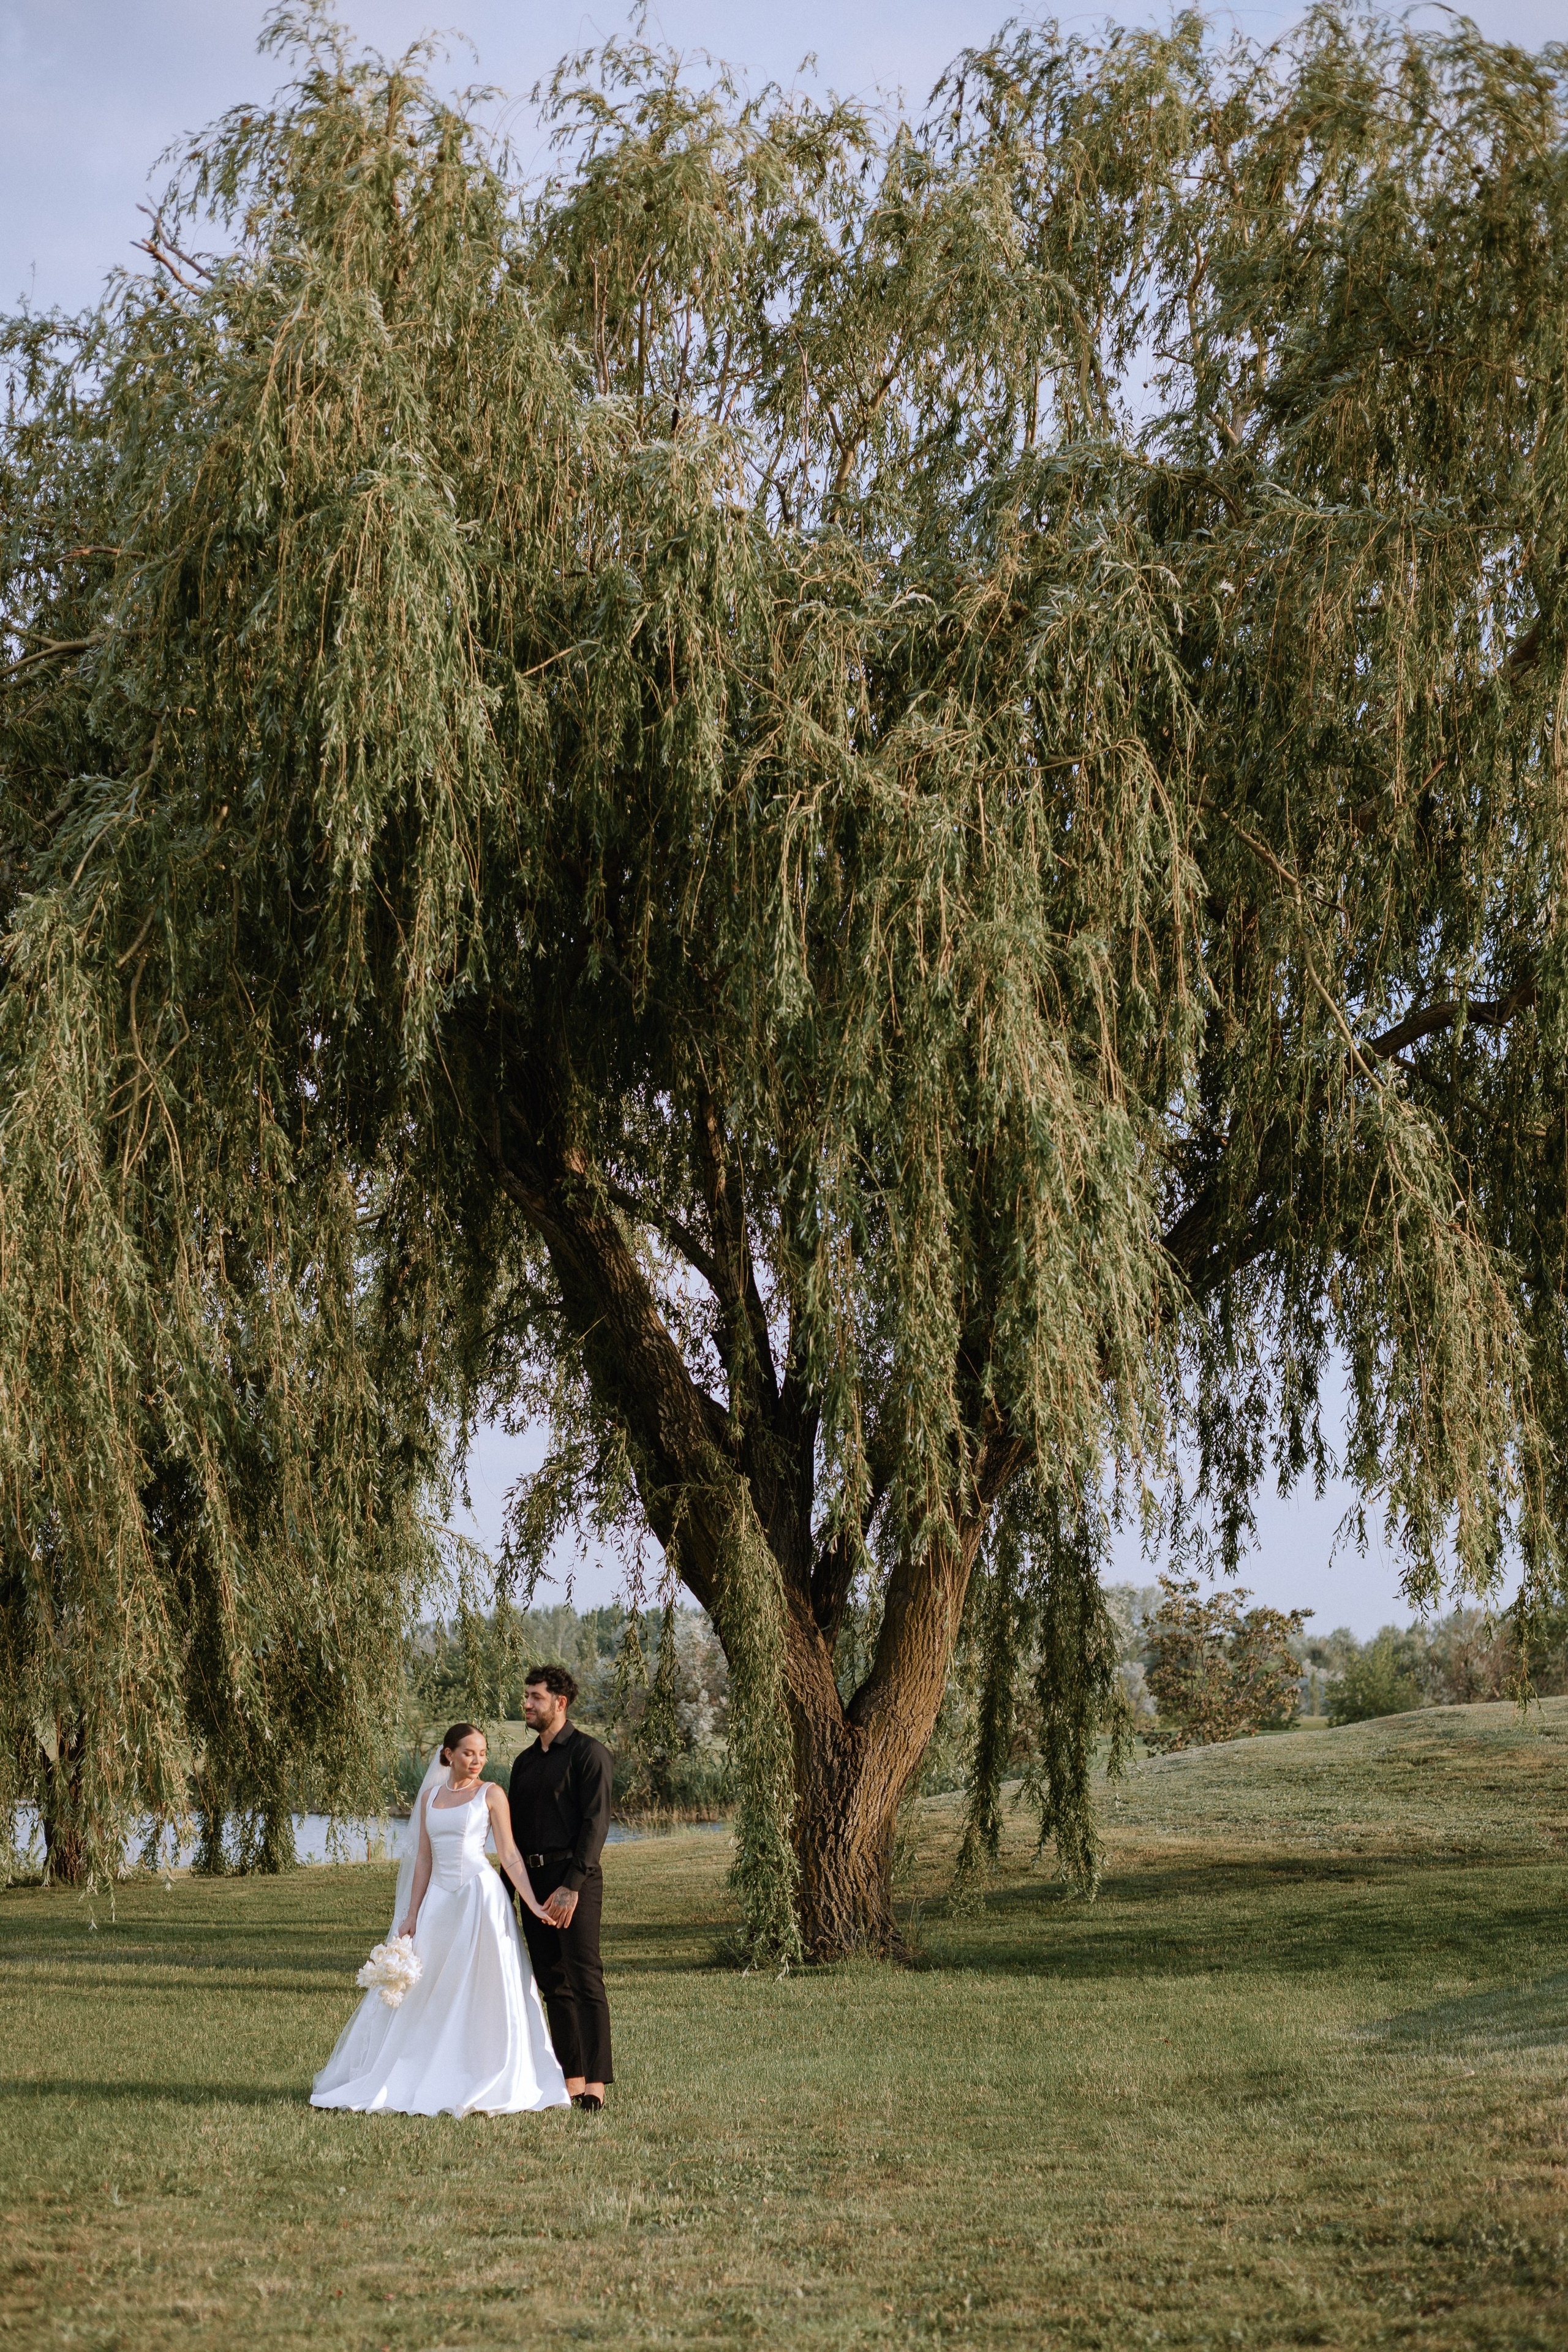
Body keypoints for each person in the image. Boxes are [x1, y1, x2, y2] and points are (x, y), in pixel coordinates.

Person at [311, 1722, 569, 2117]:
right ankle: (419, 2066)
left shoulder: (492, 1794)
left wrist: (532, 1902)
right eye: (469, 1753)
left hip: (478, 1898)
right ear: (448, 1754)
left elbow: (510, 1854)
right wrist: (411, 1915)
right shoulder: (430, 1797)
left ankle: (483, 2068)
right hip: (438, 1904)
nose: (478, 1761)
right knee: (430, 1985)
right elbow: (424, 1862)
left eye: (482, 1753)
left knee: (485, 1984)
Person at [508, 1665, 614, 2112]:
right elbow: (511, 1832)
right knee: (553, 1983)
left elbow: (596, 1824)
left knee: (584, 1978)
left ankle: (597, 2085)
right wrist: (506, 1889)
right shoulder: (525, 1762)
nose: (527, 1704)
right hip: (534, 1884)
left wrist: (571, 1886)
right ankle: (572, 2081)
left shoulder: (589, 1754)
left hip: (575, 1880)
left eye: (535, 1697)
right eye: (527, 1696)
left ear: (560, 1703)